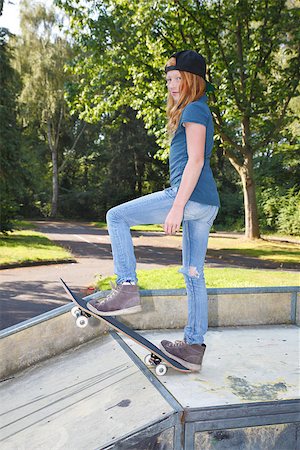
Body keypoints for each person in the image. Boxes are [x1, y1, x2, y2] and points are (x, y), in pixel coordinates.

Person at [87, 50, 220, 372]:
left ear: (193, 80)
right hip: (206, 204)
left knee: (116, 216)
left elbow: (196, 161)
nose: (173, 85)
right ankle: (192, 347)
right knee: (194, 276)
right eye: (169, 80)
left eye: (178, 79)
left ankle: (127, 288)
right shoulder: (200, 111)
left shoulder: (194, 111)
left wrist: (176, 207)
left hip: (188, 199)